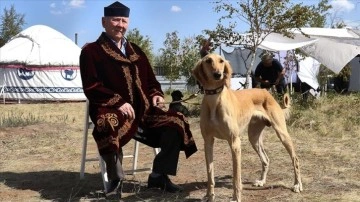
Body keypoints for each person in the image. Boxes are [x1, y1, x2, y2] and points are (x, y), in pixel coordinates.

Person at [79, 1, 197, 199]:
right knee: (108, 122)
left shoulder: (137, 52)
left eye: (124, 20)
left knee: (177, 120)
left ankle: (159, 174)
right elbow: (92, 87)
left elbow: (152, 83)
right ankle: (115, 181)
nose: (120, 25)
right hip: (111, 109)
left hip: (144, 112)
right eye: (115, 20)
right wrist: (118, 102)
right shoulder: (91, 51)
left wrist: (156, 96)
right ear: (104, 22)